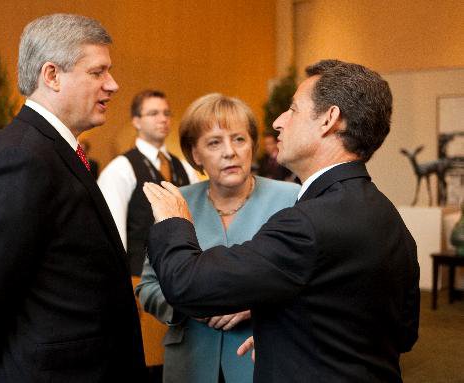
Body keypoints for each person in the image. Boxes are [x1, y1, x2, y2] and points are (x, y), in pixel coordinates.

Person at [142, 60, 420, 383]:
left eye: (292, 109)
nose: (278, 121)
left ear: (329, 120)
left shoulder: (306, 222)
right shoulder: (385, 213)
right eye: (214, 142)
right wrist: (284, 340)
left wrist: (174, 220)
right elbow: (402, 332)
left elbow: (187, 283)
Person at [0, 14, 147, 383]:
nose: (113, 85)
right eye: (98, 72)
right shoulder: (21, 158)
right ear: (51, 75)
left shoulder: (51, 151)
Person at [136, 93, 299, 383]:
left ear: (252, 145)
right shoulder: (174, 202)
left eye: (239, 139)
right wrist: (191, 302)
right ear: (195, 154)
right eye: (214, 142)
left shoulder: (291, 199)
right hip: (190, 365)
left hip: (263, 361)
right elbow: (148, 287)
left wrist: (256, 306)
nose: (229, 152)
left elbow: (314, 286)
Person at [98, 90, 198, 275]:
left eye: (166, 113)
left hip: (183, 274)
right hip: (138, 278)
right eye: (154, 113)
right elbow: (113, 236)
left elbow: (196, 222)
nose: (163, 119)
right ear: (136, 121)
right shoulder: (120, 169)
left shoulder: (185, 167)